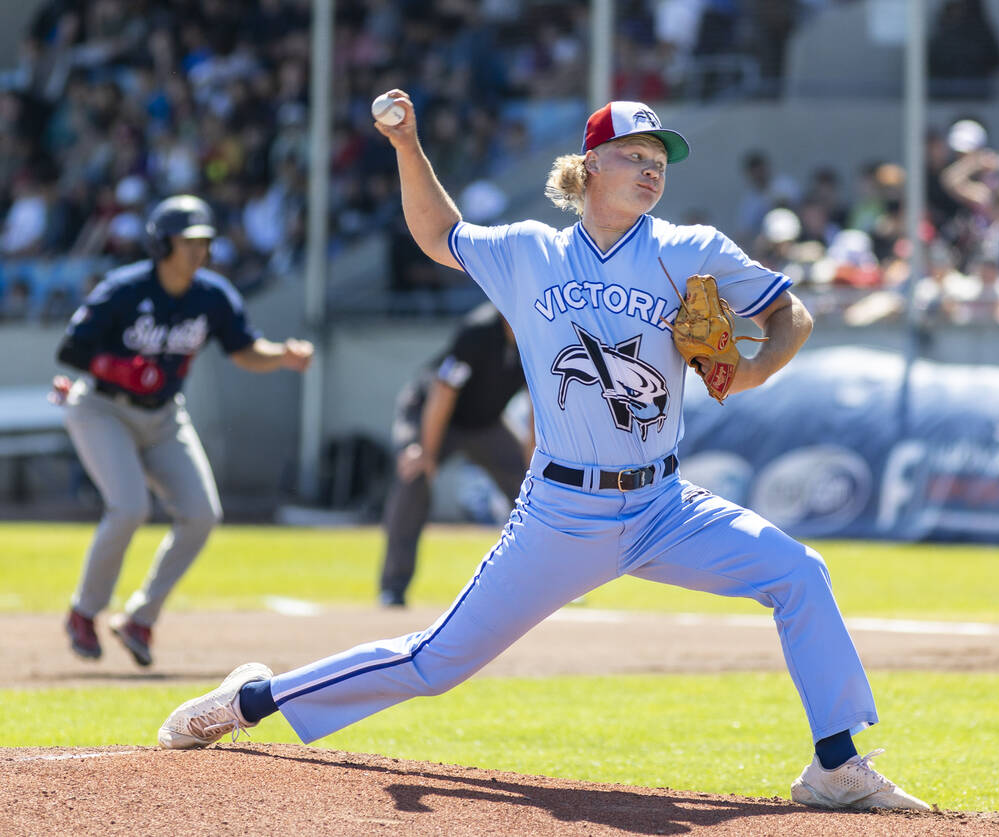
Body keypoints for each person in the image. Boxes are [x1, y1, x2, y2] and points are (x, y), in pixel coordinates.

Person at [158, 98, 930, 812]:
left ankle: (834, 764)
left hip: (664, 504)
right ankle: (252, 698)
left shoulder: (692, 248)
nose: (653, 166)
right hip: (563, 510)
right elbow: (436, 235)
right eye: (634, 153)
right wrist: (405, 142)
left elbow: (787, 313)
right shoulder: (528, 253)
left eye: (661, 156)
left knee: (799, 571)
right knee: (434, 663)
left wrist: (756, 368)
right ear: (591, 165)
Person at [57, 194, 313, 667]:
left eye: (203, 241)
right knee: (130, 506)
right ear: (161, 244)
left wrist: (282, 356)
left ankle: (140, 619)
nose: (199, 249)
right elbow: (72, 350)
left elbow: (243, 349)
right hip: (102, 409)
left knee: (201, 513)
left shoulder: (212, 295)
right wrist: (119, 368)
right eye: (187, 240)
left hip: (164, 415)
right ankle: (83, 612)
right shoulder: (123, 289)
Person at [379, 301, 530, 607]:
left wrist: (533, 467)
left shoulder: (538, 333)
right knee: (414, 475)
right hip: (432, 415)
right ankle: (392, 587)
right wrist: (427, 452)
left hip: (485, 424)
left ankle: (545, 581)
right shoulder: (478, 330)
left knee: (534, 490)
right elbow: (442, 392)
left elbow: (538, 409)